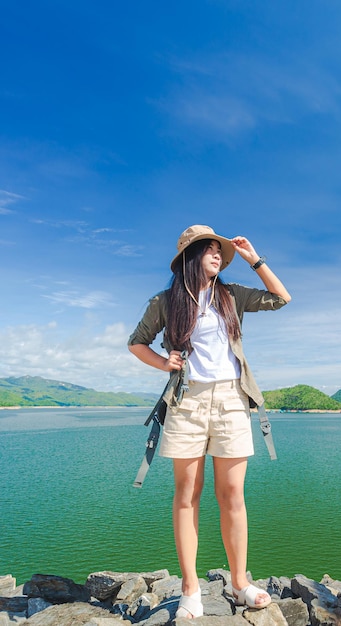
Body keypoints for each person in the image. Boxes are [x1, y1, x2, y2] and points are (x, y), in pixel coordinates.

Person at [128, 225, 291, 619]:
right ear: (190, 255)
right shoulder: (166, 301)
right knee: (187, 494)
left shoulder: (231, 295)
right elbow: (137, 342)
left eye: (220, 250)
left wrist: (255, 259)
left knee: (232, 494)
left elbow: (281, 298)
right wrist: (164, 361)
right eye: (210, 249)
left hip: (233, 400)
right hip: (188, 401)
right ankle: (190, 588)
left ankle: (239, 582)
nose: (218, 254)